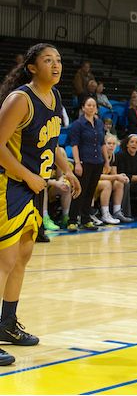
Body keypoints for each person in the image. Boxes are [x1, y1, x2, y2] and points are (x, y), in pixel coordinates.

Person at [0, 44, 81, 366]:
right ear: (32, 67)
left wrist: (66, 170)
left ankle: (7, 323)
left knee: (22, 257)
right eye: (48, 60)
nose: (56, 65)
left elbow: (52, 142)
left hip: (31, 187)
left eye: (58, 60)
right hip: (8, 185)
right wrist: (28, 176)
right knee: (4, 261)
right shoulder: (21, 99)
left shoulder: (54, 97)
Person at [67, 96, 107, 233]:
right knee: (79, 191)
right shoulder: (78, 124)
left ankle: (86, 219)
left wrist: (106, 161)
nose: (91, 107)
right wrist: (77, 163)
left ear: (96, 108)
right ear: (83, 107)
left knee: (90, 192)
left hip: (98, 162)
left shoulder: (100, 123)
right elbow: (74, 145)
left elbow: (102, 143)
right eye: (88, 105)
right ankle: (72, 220)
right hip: (84, 162)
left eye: (93, 105)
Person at [94, 135, 130, 225]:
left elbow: (114, 175)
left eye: (114, 144)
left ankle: (117, 212)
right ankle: (105, 214)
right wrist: (116, 177)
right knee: (107, 183)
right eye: (109, 143)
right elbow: (97, 176)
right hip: (94, 181)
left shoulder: (113, 156)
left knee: (119, 183)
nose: (111, 146)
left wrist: (121, 176)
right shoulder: (99, 156)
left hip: (104, 181)